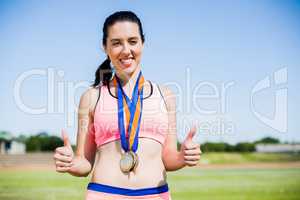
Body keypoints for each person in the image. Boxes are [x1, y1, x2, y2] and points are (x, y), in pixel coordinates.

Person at [53, 10, 201, 200]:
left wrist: (183, 157)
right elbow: (84, 163)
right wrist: (71, 162)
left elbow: (168, 158)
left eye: (132, 41)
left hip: (155, 195)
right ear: (104, 47)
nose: (126, 50)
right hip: (104, 194)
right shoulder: (92, 97)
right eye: (116, 43)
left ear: (143, 44)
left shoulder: (165, 96)